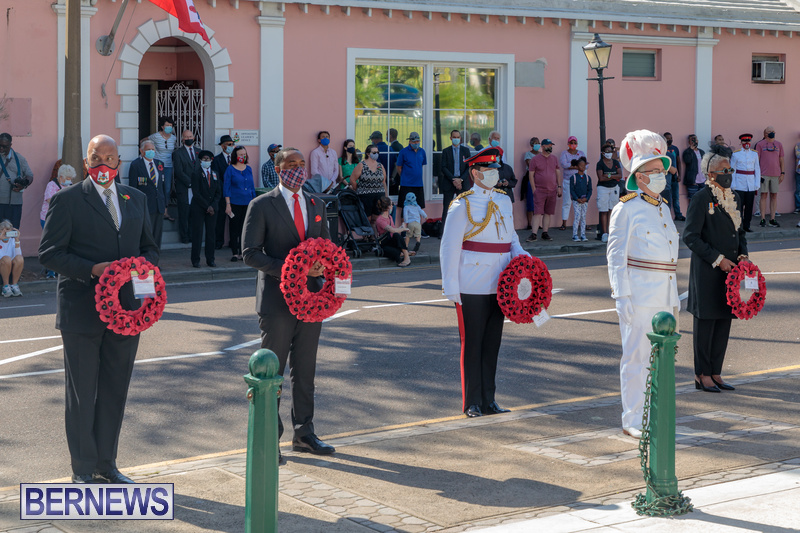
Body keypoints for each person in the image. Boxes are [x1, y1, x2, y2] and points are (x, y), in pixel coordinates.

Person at [39, 134, 159, 484]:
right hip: (82, 313)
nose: (103, 164)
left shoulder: (135, 198)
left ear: (119, 161)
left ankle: (107, 464)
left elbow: (150, 248)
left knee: (114, 390)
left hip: (126, 314)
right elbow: (50, 253)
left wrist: (142, 269)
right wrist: (92, 270)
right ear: (87, 162)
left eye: (109, 158)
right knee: (82, 393)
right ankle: (82, 469)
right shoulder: (67, 200)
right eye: (96, 158)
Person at [241, 147, 335, 456]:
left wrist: (321, 265)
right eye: (291, 164)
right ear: (279, 169)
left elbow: (326, 247)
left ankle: (304, 433)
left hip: (311, 301)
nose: (298, 168)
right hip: (276, 301)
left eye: (301, 163)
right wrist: (293, 269)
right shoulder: (261, 205)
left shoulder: (316, 203)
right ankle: (269, 439)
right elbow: (250, 253)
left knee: (305, 371)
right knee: (273, 372)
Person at [440, 147, 529, 418]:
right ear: (475, 173)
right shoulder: (462, 204)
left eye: (495, 170)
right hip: (471, 283)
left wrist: (523, 258)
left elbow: (511, 238)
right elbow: (449, 247)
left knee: (492, 345)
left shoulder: (503, 200)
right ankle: (473, 402)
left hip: (499, 283)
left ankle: (489, 400)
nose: (494, 174)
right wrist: (451, 286)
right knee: (473, 344)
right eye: (488, 170)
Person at [607, 130, 679, 439]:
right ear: (640, 175)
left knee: (661, 359)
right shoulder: (626, 208)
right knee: (636, 358)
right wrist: (621, 295)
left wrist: (674, 296)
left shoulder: (663, 207)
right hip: (638, 294)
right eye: (655, 170)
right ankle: (633, 418)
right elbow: (615, 255)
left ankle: (654, 414)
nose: (662, 175)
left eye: (662, 169)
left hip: (664, 294)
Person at [684, 144, 747, 393]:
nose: (728, 174)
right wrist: (718, 259)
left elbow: (740, 232)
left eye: (730, 170)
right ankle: (702, 374)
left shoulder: (734, 197)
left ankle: (716, 372)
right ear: (711, 174)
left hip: (730, 273)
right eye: (724, 170)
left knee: (723, 321)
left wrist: (743, 256)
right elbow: (690, 236)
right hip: (708, 271)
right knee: (706, 324)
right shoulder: (701, 198)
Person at [128, 139, 168, 248]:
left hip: (159, 205)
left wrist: (165, 205)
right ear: (142, 151)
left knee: (157, 235)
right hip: (144, 205)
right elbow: (133, 188)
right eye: (148, 149)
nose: (151, 151)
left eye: (153, 149)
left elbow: (163, 185)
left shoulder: (159, 164)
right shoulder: (136, 165)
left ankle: (155, 256)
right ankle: (146, 257)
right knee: (146, 234)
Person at [41, 165, 76, 279]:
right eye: (68, 178)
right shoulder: (51, 185)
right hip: (48, 218)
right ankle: (50, 271)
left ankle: (60, 269)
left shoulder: (69, 185)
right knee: (51, 244)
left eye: (70, 178)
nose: (69, 181)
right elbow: (50, 200)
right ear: (61, 177)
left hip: (63, 219)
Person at [223, 146, 256, 262]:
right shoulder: (230, 169)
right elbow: (226, 188)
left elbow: (252, 187)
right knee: (234, 228)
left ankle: (243, 252)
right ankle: (235, 252)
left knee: (244, 228)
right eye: (240, 154)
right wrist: (228, 204)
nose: (243, 156)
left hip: (247, 202)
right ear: (235, 156)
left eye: (244, 154)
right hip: (234, 203)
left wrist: (254, 202)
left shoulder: (248, 169)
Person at [190, 150, 221, 268]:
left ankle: (210, 259)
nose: (206, 161)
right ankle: (195, 260)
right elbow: (196, 193)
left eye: (208, 159)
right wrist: (207, 206)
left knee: (211, 235)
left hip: (212, 209)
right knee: (197, 234)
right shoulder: (196, 174)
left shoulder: (215, 174)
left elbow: (218, 192)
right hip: (199, 207)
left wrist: (212, 206)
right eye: (204, 159)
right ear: (200, 161)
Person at [526, 139, 562, 242]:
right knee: (537, 212)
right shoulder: (535, 159)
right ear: (543, 146)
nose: (550, 147)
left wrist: (559, 186)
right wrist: (534, 189)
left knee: (548, 212)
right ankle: (534, 234)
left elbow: (557, 172)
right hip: (539, 190)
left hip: (552, 190)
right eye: (548, 145)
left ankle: (545, 233)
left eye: (551, 145)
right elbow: (531, 175)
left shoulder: (554, 158)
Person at [440, 129, 472, 230]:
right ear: (450, 138)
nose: (456, 139)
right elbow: (443, 167)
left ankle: (462, 231)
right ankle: (443, 232)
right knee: (447, 208)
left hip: (463, 183)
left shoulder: (465, 151)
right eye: (454, 137)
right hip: (449, 182)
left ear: (460, 138)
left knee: (463, 208)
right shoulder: (446, 151)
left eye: (458, 137)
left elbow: (469, 167)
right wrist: (454, 179)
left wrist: (460, 180)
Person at [0, 133, 33, 229]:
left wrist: (24, 184)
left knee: (13, 232)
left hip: (15, 203)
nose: (1, 148)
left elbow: (30, 175)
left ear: (10, 145)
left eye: (4, 146)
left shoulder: (19, 158)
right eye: (0, 145)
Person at [172, 129, 200, 244]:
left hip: (196, 189)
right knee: (184, 213)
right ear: (182, 139)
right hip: (184, 187)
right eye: (186, 137)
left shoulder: (199, 152)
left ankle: (193, 236)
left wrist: (197, 183)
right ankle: (184, 237)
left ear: (194, 137)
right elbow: (179, 171)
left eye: (190, 136)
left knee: (194, 213)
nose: (188, 138)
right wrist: (190, 182)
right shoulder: (177, 153)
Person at [754, 126, 784, 228]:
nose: (772, 133)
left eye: (773, 131)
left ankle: (772, 219)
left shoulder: (779, 144)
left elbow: (781, 159)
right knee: (763, 195)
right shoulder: (760, 144)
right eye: (770, 131)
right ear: (765, 133)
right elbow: (757, 160)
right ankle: (762, 219)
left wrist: (782, 173)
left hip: (776, 175)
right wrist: (758, 174)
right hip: (764, 174)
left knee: (774, 196)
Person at [395, 132, 427, 226]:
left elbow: (421, 165)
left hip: (418, 184)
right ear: (410, 141)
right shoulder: (403, 152)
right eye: (414, 141)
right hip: (406, 184)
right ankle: (404, 229)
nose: (416, 143)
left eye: (418, 141)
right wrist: (405, 176)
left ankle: (418, 229)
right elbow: (399, 167)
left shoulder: (422, 152)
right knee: (404, 207)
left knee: (419, 206)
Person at [730, 133, 760, 233]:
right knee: (739, 206)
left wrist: (757, 184)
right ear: (741, 142)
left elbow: (757, 169)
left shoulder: (754, 154)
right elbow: (733, 170)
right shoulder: (736, 154)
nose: (746, 143)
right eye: (744, 141)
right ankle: (739, 226)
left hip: (750, 184)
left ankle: (747, 225)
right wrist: (733, 184)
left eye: (748, 141)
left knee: (749, 206)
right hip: (739, 184)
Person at [148, 116, 176, 221]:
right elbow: (144, 142)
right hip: (157, 165)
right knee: (157, 187)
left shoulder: (173, 138)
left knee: (167, 188)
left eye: (171, 125)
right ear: (162, 126)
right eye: (167, 125)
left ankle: (165, 211)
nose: (169, 127)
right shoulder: (155, 136)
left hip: (168, 166)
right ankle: (156, 209)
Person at [351, 144, 387, 218]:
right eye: (374, 152)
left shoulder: (380, 166)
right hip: (365, 196)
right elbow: (352, 179)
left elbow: (383, 182)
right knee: (367, 219)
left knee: (377, 219)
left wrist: (386, 196)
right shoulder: (361, 165)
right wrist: (358, 189)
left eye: (377, 152)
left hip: (379, 195)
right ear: (368, 153)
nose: (376, 154)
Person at [375, 196, 411, 267]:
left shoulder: (390, 217)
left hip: (391, 240)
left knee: (396, 236)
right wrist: (403, 229)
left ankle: (407, 257)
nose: (393, 206)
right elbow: (392, 230)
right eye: (392, 204)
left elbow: (394, 231)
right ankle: (404, 253)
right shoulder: (380, 220)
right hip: (384, 243)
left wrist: (402, 227)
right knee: (394, 252)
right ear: (388, 207)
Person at [596, 143, 622, 242]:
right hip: (603, 188)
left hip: (614, 188)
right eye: (607, 151)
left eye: (610, 151)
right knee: (604, 211)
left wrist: (609, 176)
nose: (609, 153)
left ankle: (611, 232)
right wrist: (613, 176)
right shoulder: (600, 164)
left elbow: (620, 175)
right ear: (603, 153)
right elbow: (601, 178)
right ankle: (604, 233)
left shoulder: (616, 162)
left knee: (612, 210)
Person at [213, 134, 236, 249]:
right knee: (220, 219)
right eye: (228, 144)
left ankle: (233, 242)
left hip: (235, 194)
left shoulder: (236, 159)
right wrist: (225, 189)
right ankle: (219, 241)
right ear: (222, 146)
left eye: (232, 144)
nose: (231, 146)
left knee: (234, 219)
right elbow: (216, 177)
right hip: (222, 194)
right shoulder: (216, 160)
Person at [559, 136, 586, 230]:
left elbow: (585, 165)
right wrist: (577, 166)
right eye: (571, 142)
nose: (573, 144)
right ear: (568, 144)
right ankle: (564, 223)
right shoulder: (564, 153)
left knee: (581, 202)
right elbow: (564, 164)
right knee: (567, 202)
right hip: (568, 180)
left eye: (575, 143)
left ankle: (581, 223)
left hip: (579, 181)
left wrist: (572, 166)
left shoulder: (581, 153)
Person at [519, 137, 541, 230]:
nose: (537, 144)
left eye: (538, 143)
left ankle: (538, 223)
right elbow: (530, 165)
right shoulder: (528, 154)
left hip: (540, 178)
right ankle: (529, 223)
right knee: (530, 201)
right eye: (535, 143)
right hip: (531, 177)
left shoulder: (541, 154)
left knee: (539, 202)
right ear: (531, 145)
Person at [569, 157, 592, 242]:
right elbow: (572, 190)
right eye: (581, 165)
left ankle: (583, 234)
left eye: (584, 165)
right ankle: (575, 235)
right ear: (577, 166)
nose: (583, 167)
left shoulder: (588, 178)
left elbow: (590, 190)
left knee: (583, 217)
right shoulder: (573, 177)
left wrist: (587, 198)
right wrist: (576, 198)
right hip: (576, 201)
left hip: (585, 201)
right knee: (577, 216)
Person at [663, 132, 685, 221]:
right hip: (666, 177)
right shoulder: (662, 150)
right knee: (667, 196)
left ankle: (678, 214)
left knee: (676, 197)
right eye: (668, 138)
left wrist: (679, 175)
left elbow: (678, 162)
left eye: (671, 138)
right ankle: (667, 215)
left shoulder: (675, 149)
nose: (670, 140)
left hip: (674, 177)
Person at [0, 220, 24, 297]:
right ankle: (6, 286)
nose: (5, 232)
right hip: (3, 262)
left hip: (9, 263)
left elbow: (18, 256)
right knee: (6, 259)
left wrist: (17, 240)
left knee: (20, 258)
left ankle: (14, 285)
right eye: (2, 230)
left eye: (7, 230)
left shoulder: (12, 240)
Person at [682, 134, 705, 202]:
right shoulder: (687, 152)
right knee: (692, 200)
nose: (694, 141)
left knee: (703, 200)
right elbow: (687, 161)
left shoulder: (702, 152)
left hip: (703, 181)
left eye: (695, 139)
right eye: (692, 140)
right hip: (693, 181)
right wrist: (691, 150)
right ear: (689, 142)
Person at [794, 133, 800, 216]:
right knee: (798, 190)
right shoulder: (798, 145)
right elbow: (798, 155)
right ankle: (798, 207)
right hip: (799, 171)